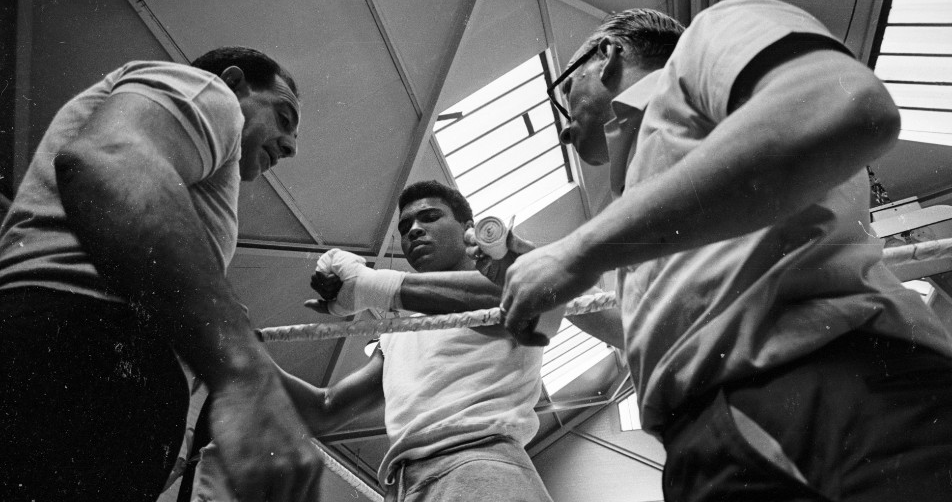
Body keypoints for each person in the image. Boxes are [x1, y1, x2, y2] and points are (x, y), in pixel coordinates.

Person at [485, 0, 952, 501]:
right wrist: (543, 269)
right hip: (704, 447)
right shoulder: (640, 205)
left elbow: (849, 108)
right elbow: (643, 330)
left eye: (564, 91)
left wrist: (577, 252)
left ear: (607, 56)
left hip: (832, 387)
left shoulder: (707, 42)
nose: (565, 125)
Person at [0, 47, 325, 502]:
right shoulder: (212, 93)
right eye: (285, 117)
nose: (291, 146)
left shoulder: (194, 174)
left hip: (84, 354)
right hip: (84, 347)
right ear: (234, 82)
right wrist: (243, 374)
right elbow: (108, 158)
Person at [293, 180, 620, 502]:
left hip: (480, 470)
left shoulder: (512, 277)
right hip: (405, 487)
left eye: (430, 217)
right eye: (405, 225)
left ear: (468, 227)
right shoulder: (400, 330)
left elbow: (514, 302)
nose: (414, 230)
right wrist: (242, 343)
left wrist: (374, 285)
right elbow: (325, 409)